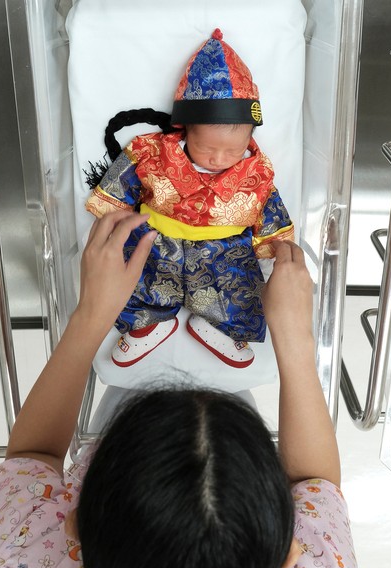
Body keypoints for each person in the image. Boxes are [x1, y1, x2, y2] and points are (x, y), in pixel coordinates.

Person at [0, 210, 357, 568]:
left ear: (72, 525)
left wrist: (91, 315)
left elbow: (32, 454)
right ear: (292, 554)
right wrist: (296, 342)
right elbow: (315, 482)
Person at [84, 29, 294, 369]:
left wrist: (276, 251)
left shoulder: (258, 173)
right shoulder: (153, 152)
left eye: (233, 150)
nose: (218, 159)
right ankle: (147, 322)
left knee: (241, 289)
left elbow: (270, 214)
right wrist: (112, 216)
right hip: (157, 240)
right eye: (206, 147)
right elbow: (124, 181)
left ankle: (221, 327)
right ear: (185, 130)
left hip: (224, 251)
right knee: (134, 275)